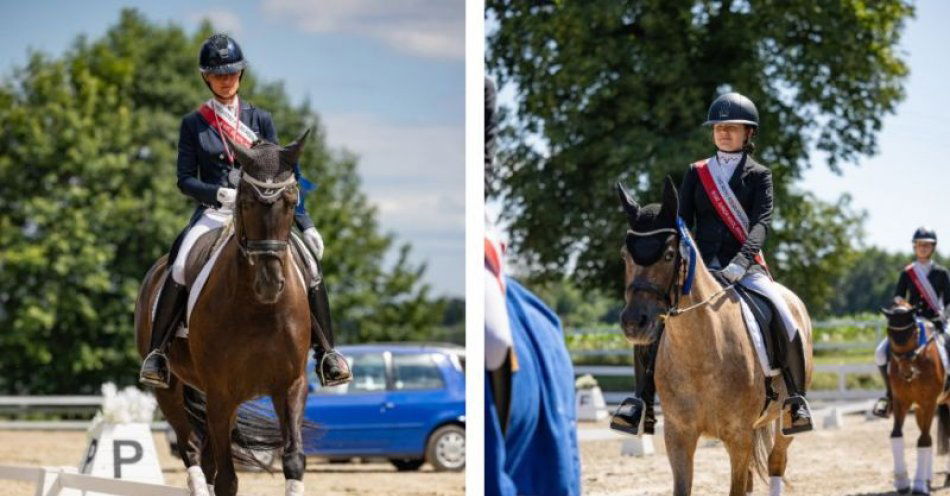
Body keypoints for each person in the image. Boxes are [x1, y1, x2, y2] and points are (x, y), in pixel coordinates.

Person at [139, 33, 350, 389]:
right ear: (206, 77)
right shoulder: (195, 123)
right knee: (179, 263)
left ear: (241, 74)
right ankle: (158, 354)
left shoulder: (260, 118)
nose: (225, 79)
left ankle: (327, 354)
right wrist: (217, 192)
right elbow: (185, 179)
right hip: (216, 212)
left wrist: (306, 223)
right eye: (218, 74)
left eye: (232, 72)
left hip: (261, 213)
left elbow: (284, 175)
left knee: (310, 264)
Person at [611, 92, 813, 436]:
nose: (723, 133)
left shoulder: (760, 175)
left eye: (731, 128)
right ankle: (640, 402)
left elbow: (761, 224)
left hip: (745, 267)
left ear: (748, 134)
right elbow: (682, 223)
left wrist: (740, 262)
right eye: (719, 127)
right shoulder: (697, 172)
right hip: (700, 270)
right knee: (657, 317)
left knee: (783, 313)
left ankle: (794, 400)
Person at [871, 227, 950, 418]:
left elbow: (948, 301)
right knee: (880, 353)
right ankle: (889, 396)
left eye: (927, 245)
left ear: (933, 247)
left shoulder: (941, 273)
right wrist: (904, 307)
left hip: (937, 320)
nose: (923, 248)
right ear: (914, 247)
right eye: (919, 245)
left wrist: (943, 317)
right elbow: (898, 297)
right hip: (912, 323)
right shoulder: (908, 273)